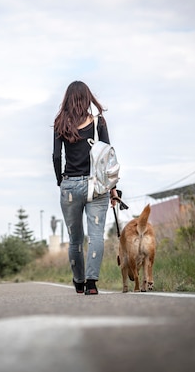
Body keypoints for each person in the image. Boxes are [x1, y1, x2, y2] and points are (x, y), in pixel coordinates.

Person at [52, 81, 120, 295]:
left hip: (70, 186)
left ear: (67, 99)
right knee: (96, 235)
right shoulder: (99, 121)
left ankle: (78, 282)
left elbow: (56, 156)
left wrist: (59, 180)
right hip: (96, 187)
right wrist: (113, 189)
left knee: (75, 239)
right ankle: (91, 284)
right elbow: (109, 158)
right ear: (88, 97)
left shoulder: (60, 123)